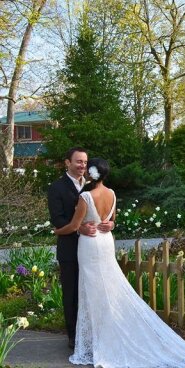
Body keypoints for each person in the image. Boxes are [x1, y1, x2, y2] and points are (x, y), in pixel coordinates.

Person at [53, 158, 185, 368]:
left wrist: (56, 230)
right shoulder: (111, 194)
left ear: (91, 174)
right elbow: (111, 220)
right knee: (108, 288)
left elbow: (73, 225)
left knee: (93, 291)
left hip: (90, 244)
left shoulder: (85, 197)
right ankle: (105, 335)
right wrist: (108, 224)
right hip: (105, 241)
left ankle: (101, 339)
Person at [48, 147, 113, 349]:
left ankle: (95, 332)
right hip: (70, 249)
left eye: (85, 162)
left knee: (95, 290)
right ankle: (74, 336)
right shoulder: (56, 188)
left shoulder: (93, 185)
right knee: (73, 293)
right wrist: (78, 230)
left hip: (93, 249)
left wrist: (111, 224)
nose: (82, 165)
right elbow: (57, 220)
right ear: (67, 162)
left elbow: (106, 215)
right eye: (78, 161)